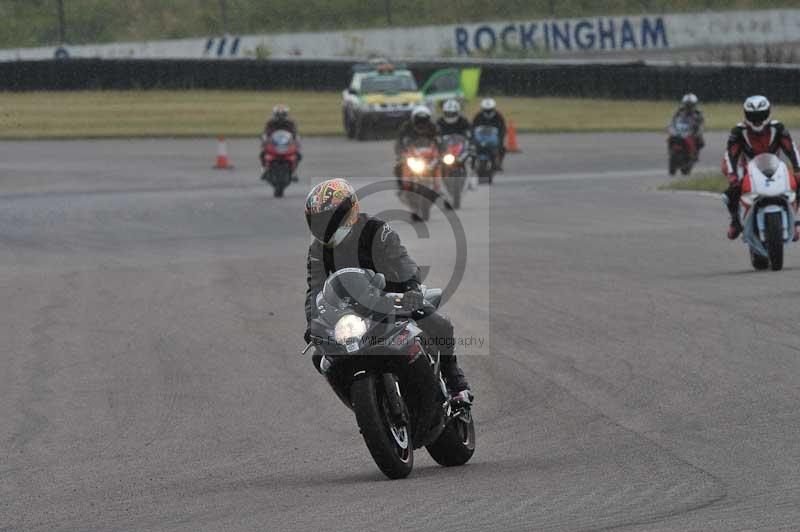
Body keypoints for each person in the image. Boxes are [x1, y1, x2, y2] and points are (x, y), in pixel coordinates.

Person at [303, 178, 471, 400]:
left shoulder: (375, 229)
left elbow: (402, 261)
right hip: (349, 311)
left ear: (350, 211)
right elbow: (315, 290)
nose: (326, 227)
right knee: (321, 356)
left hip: (395, 297)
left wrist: (411, 289)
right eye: (320, 221)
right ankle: (358, 400)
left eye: (331, 219)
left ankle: (454, 380)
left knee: (438, 324)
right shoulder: (317, 250)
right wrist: (312, 321)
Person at [722, 95, 800, 240]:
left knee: (798, 182)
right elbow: (730, 154)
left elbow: (792, 149)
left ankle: (796, 220)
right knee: (730, 191)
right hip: (748, 168)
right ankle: (735, 221)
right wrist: (732, 175)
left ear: (768, 113)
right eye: (753, 116)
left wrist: (798, 169)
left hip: (775, 167)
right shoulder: (738, 131)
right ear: (746, 115)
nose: (757, 120)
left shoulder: (778, 128)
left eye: (761, 115)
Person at [394, 105, 441, 179]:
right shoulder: (406, 127)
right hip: (413, 154)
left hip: (429, 154)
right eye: (418, 120)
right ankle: (403, 187)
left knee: (441, 164)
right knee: (399, 166)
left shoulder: (433, 127)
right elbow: (400, 142)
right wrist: (399, 155)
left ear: (428, 119)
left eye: (424, 120)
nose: (421, 123)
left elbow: (439, 140)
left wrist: (442, 152)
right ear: (413, 119)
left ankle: (437, 186)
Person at [261, 104, 301, 180]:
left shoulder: (290, 123)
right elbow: (265, 133)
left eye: (282, 114)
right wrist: (264, 139)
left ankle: (294, 172)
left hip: (286, 144)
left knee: (298, 155)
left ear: (286, 114)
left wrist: (297, 140)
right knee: (263, 154)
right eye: (279, 115)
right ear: (275, 114)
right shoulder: (270, 123)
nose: (280, 116)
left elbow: (295, 133)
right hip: (274, 144)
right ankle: (264, 169)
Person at [472, 97, 506, 171]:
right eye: (486, 110)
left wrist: (500, 137)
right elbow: (473, 127)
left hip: (493, 137)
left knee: (502, 148)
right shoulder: (478, 116)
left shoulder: (498, 116)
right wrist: (473, 137)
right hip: (481, 137)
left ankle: (499, 163)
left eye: (489, 110)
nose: (487, 112)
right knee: (472, 149)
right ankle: (473, 163)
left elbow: (502, 128)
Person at [670, 93, 705, 159]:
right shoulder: (680, 110)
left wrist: (699, 129)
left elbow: (702, 123)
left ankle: (694, 154)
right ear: (684, 103)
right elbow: (673, 119)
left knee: (700, 140)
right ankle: (671, 151)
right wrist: (671, 126)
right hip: (681, 128)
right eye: (687, 104)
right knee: (671, 137)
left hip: (692, 129)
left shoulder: (698, 112)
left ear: (694, 104)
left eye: (690, 105)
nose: (689, 106)